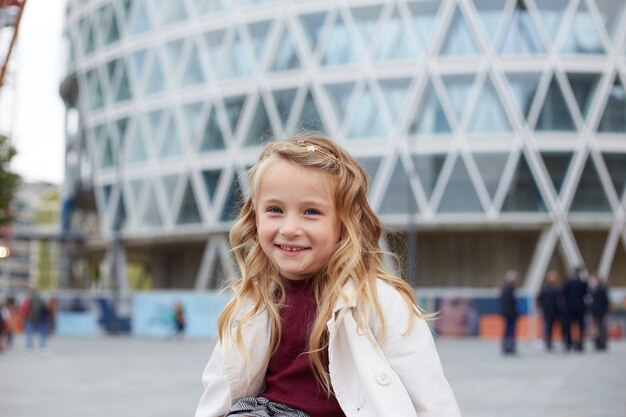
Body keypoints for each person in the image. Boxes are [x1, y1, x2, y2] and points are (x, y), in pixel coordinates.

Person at [195, 134, 461, 417]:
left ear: (344, 224)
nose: (289, 228)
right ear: (254, 217)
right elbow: (220, 387)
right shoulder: (252, 301)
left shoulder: (378, 300)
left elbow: (429, 393)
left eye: (311, 212)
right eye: (275, 210)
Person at [561, 268, 588, 351]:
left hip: (569, 307)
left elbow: (563, 294)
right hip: (580, 307)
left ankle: (569, 342)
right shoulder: (582, 283)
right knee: (580, 325)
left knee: (568, 325)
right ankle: (580, 343)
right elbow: (586, 293)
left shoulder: (567, 283)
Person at [537, 270, 563, 351]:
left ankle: (562, 341)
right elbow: (540, 299)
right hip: (548, 311)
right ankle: (548, 342)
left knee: (560, 326)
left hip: (556, 311)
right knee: (548, 327)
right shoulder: (545, 289)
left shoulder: (558, 288)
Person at [20, 285, 50, 352]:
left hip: (30, 318)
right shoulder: (41, 298)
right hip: (39, 319)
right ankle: (42, 346)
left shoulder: (28, 299)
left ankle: (30, 346)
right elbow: (46, 308)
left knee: (30, 333)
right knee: (42, 333)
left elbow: (23, 309)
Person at [499, 270, 519, 355]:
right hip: (510, 313)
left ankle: (507, 346)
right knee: (510, 330)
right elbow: (510, 302)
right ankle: (509, 347)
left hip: (508, 313)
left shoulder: (506, 289)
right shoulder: (509, 289)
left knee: (508, 330)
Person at [588, 274, 609, 351]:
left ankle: (600, 342)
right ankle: (600, 342)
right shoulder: (601, 288)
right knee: (599, 327)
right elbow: (606, 301)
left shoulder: (597, 289)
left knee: (599, 327)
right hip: (600, 310)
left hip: (597, 311)